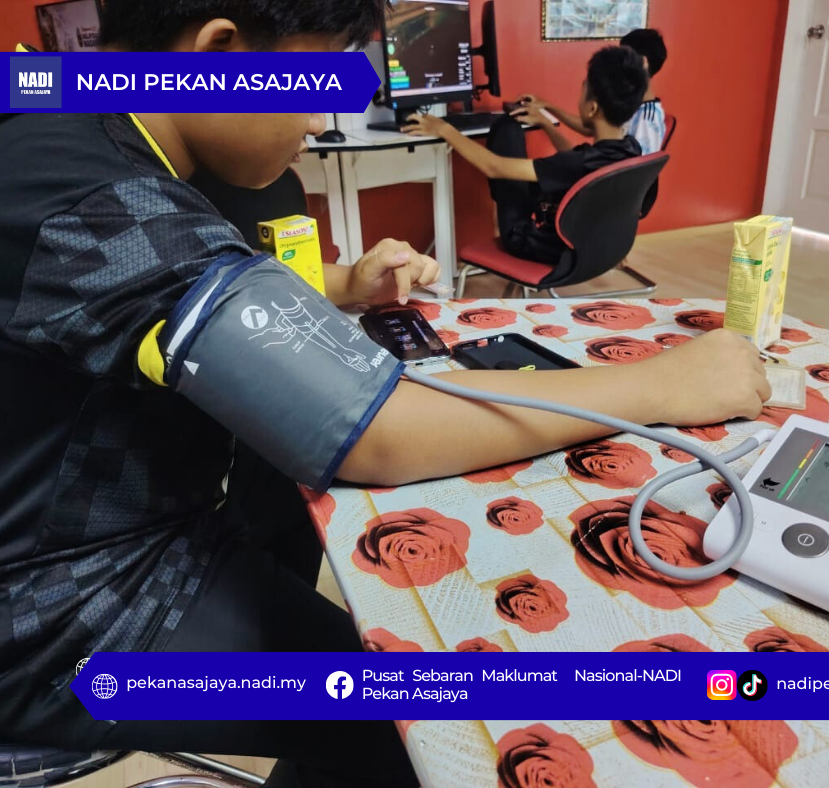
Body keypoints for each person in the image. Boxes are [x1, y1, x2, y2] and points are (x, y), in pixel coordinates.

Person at [0, 1, 769, 785]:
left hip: (136, 522)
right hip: (68, 619)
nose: (317, 122)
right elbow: (375, 431)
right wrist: (666, 382)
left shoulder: (65, 119)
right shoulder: (101, 200)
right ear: (220, 52)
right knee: (429, 721)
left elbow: (169, 285)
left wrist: (341, 285)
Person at [403, 46, 647, 265]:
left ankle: (501, 226)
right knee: (521, 153)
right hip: (594, 248)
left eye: (583, 90)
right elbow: (576, 159)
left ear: (592, 108)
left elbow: (495, 167)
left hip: (532, 242)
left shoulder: (579, 163)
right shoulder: (631, 150)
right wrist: (545, 123)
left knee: (505, 128)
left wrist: (444, 129)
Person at [518, 28, 669, 155]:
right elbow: (590, 127)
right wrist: (548, 108)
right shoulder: (627, 103)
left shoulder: (646, 120)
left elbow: (632, 174)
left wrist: (545, 122)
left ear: (643, 62)